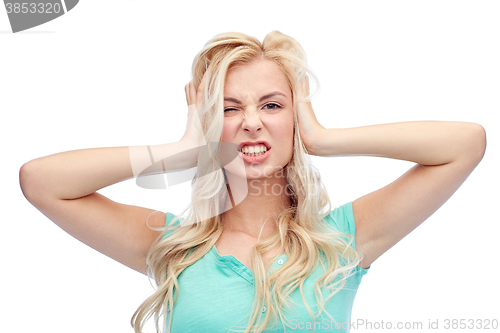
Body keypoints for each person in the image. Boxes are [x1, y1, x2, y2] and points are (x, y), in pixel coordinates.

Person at [19, 31, 487, 333]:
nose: (251, 123)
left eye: (271, 105)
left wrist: (321, 137)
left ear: (295, 117)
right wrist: (181, 149)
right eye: (228, 108)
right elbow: (41, 181)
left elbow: (465, 144)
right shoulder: (176, 247)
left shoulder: (343, 238)